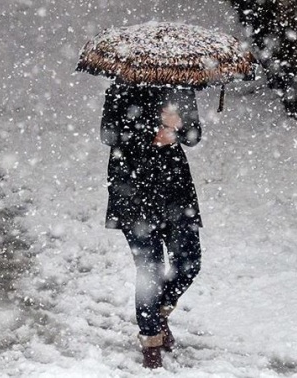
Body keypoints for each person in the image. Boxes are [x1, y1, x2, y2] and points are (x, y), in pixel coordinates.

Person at [100, 82, 203, 369]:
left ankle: (157, 314)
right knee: (150, 270)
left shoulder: (181, 86)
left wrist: (178, 126)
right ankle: (151, 342)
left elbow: (194, 136)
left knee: (189, 261)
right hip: (133, 190)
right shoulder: (120, 88)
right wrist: (152, 131)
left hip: (175, 190)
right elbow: (109, 134)